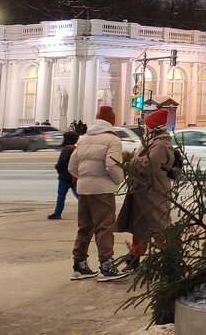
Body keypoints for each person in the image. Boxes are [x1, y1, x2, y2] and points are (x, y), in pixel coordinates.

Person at [67, 105, 128, 281]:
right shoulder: (112, 140)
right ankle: (106, 266)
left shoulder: (84, 139)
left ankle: (79, 266)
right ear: (111, 122)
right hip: (103, 191)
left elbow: (72, 166)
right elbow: (112, 164)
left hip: (84, 191)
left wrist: (85, 179)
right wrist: (118, 180)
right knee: (104, 227)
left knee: (84, 227)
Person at [117, 108, 174, 272]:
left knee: (158, 226)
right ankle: (134, 258)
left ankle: (171, 258)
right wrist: (129, 156)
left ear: (153, 127)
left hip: (153, 191)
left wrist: (130, 163)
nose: (144, 128)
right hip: (142, 191)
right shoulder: (152, 141)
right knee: (140, 226)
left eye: (147, 126)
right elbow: (142, 160)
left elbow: (149, 164)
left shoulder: (161, 144)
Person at [48, 131, 79, 220]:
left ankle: (57, 213)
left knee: (61, 196)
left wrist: (58, 169)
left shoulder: (66, 149)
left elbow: (61, 163)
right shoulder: (74, 149)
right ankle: (88, 211)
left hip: (65, 177)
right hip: (73, 176)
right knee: (79, 195)